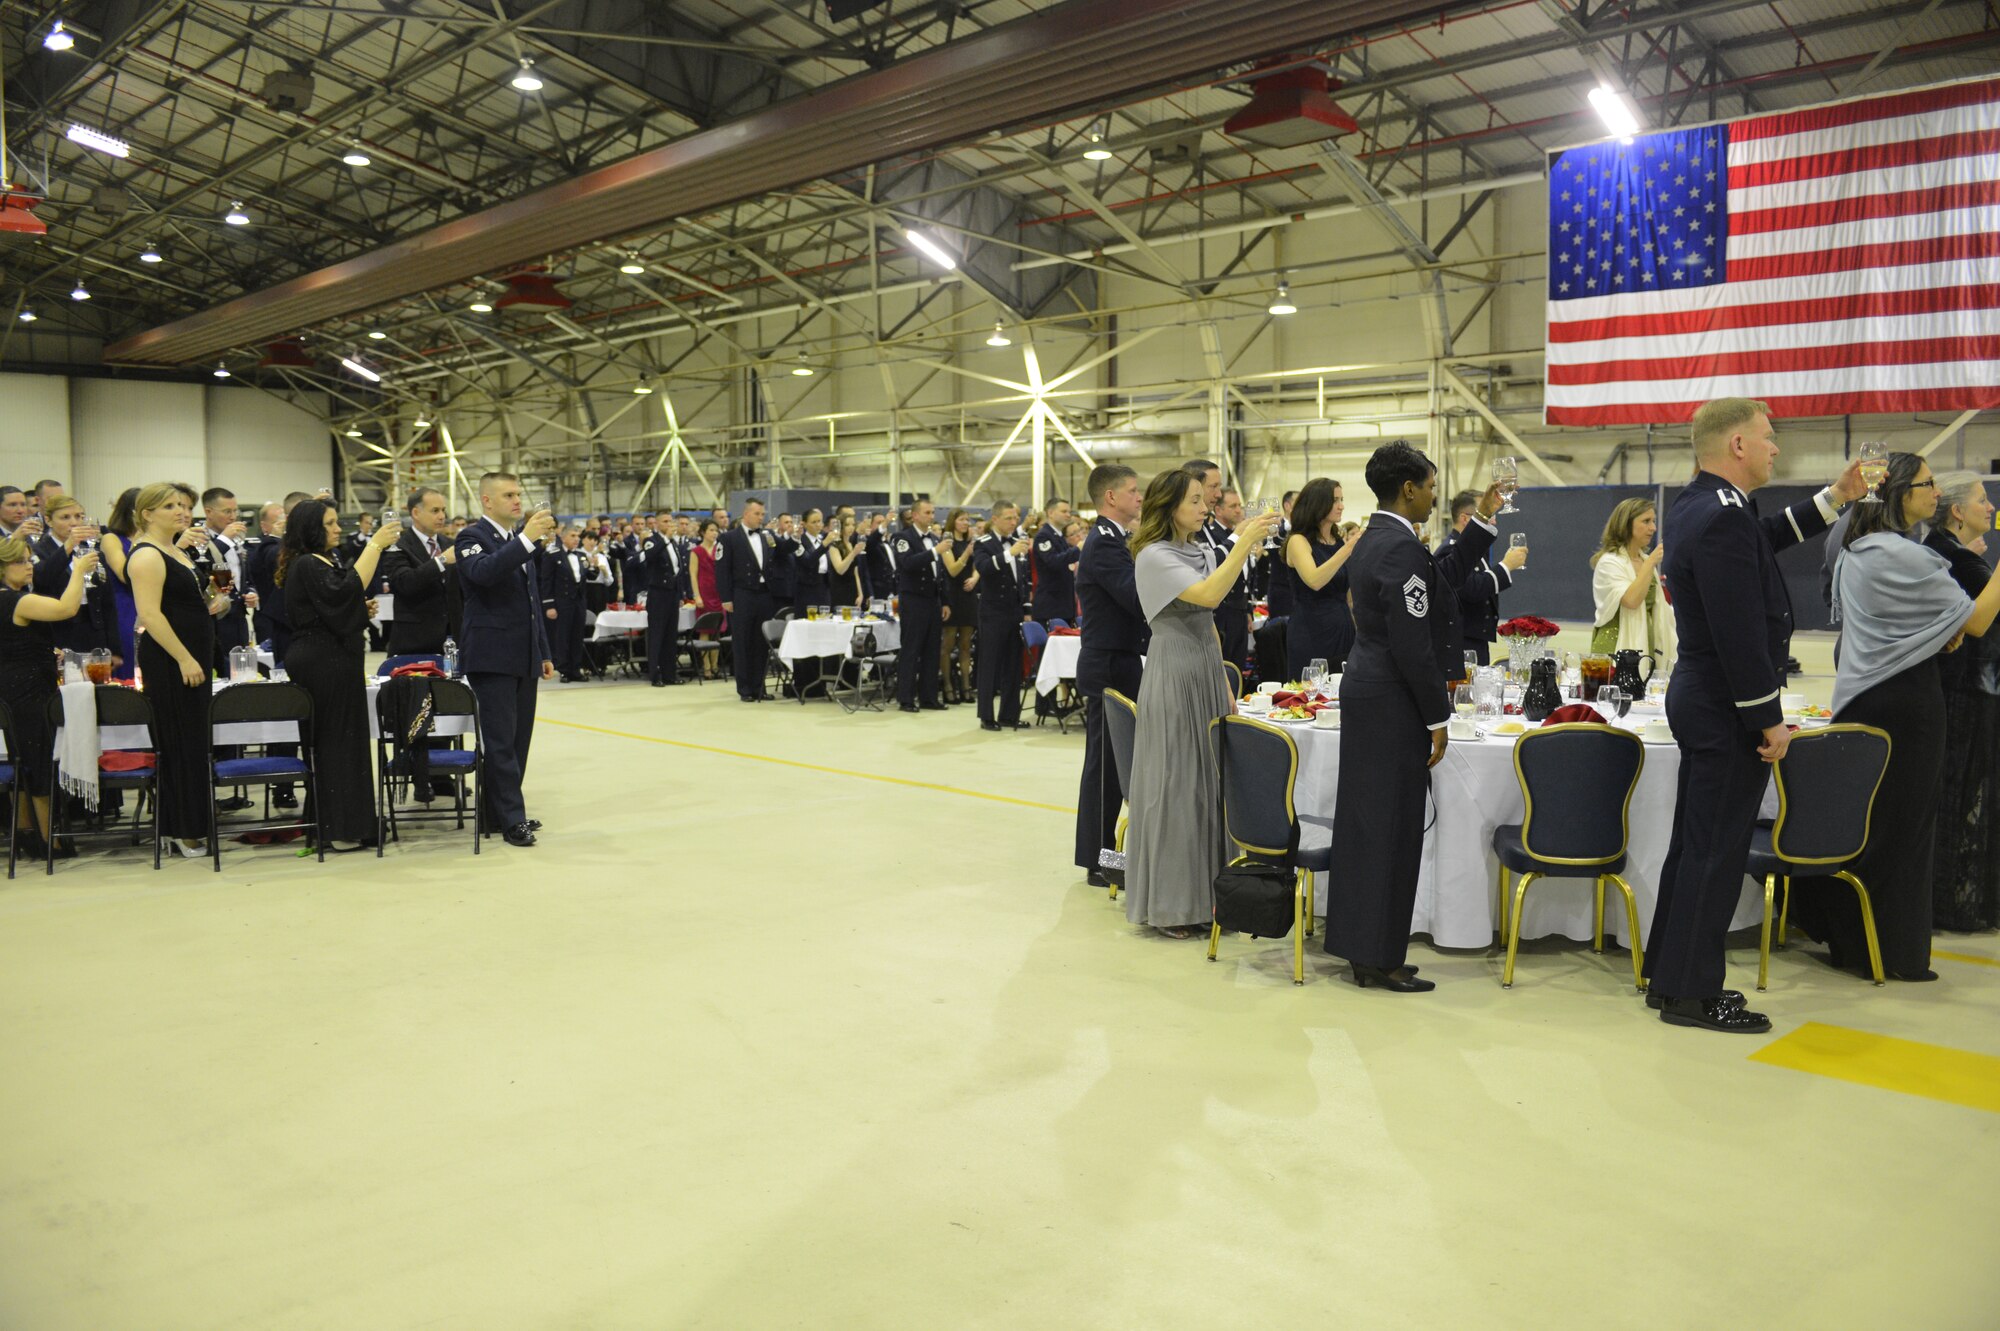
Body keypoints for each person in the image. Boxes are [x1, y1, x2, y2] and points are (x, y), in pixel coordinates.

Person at [1646, 398, 1866, 1033]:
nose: (1777, 449)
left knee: (1695, 844)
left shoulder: (1706, 506)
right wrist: (1767, 718)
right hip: (1723, 701)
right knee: (1713, 852)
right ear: (1737, 444)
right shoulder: (1719, 518)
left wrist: (1835, 497)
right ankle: (1691, 993)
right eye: (1768, 439)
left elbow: (1763, 541)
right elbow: (1739, 632)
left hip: (1706, 694)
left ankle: (1670, 973)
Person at [1791, 456, 2000, 981]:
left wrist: (1941, 630)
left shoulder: (1863, 549)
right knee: (1903, 835)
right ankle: (1888, 951)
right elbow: (1975, 621)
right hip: (1904, 706)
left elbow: (1924, 626)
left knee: (1879, 829)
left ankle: (1858, 940)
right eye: (1927, 484)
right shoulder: (1899, 554)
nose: (1935, 492)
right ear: (1901, 494)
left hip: (1876, 696)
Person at [1321, 444, 1456, 991]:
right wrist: (1436, 716)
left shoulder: (1371, 539)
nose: (1432, 494)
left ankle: (1367, 948)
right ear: (1408, 489)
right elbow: (1413, 643)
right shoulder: (1399, 548)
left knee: (1366, 823)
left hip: (1368, 689)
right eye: (1428, 485)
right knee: (1391, 827)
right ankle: (1379, 957)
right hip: (1393, 698)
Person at [1123, 470, 1277, 936]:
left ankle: (1211, 895)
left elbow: (1207, 615)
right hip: (1173, 672)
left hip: (1204, 669)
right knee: (1178, 785)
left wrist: (1223, 678)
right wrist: (1241, 544)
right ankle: (1173, 904)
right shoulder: (1153, 556)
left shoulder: (1199, 549)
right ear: (1168, 506)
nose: (1203, 507)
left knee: (1209, 785)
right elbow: (1209, 593)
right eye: (1194, 500)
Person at [278, 500, 397, 851]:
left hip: (333, 657)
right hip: (322, 660)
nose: (336, 528)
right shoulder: (307, 564)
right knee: (337, 742)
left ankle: (346, 823)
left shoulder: (321, 562)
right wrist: (375, 544)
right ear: (312, 529)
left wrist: (358, 608)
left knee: (345, 740)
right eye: (329, 523)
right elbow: (344, 590)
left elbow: (338, 603)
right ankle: (340, 827)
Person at [125, 483, 228, 859]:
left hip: (192, 653)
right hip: (172, 660)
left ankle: (193, 823)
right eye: (170, 505)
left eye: (184, 504)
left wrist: (212, 603)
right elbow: (149, 614)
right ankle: (182, 830)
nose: (181, 510)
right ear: (147, 513)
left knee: (194, 741)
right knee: (180, 742)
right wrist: (184, 657)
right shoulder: (147, 556)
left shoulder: (175, 550)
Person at [455, 472, 556, 847]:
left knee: (518, 741)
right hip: (491, 654)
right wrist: (529, 539)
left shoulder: (518, 541)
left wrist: (543, 652)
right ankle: (512, 819)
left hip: (523, 653)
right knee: (499, 742)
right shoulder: (471, 537)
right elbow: (483, 573)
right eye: (508, 495)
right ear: (487, 501)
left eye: (518, 493)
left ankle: (500, 813)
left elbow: (531, 602)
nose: (517, 500)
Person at [1925, 473, 2000, 933]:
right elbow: (1978, 623)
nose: (1990, 506)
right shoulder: (1955, 561)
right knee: (1962, 794)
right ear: (1956, 511)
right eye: (1981, 499)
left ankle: (1952, 897)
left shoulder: (1955, 556)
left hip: (1965, 688)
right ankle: (1953, 900)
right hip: (1965, 691)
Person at [1073, 463, 1147, 885]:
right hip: (1107, 663)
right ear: (1111, 498)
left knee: (1117, 764)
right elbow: (1134, 594)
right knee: (1104, 768)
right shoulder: (1104, 543)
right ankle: (1098, 861)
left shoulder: (1116, 539)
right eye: (1133, 491)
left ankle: (1105, 855)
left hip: (1120, 659)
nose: (1139, 498)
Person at [2, 534, 97, 859]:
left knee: (22, 762)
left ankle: (27, 835)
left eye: (29, 560)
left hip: (12, 686)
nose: (28, 567)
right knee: (39, 762)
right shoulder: (15, 600)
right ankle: (50, 842)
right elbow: (67, 608)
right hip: (28, 690)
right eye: (19, 562)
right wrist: (78, 570)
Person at [1279, 478, 1363, 680]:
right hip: (1311, 630)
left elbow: (1348, 595)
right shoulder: (1298, 541)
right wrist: (1349, 548)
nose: (1341, 506)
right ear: (1318, 503)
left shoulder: (1337, 541)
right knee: (1311, 695)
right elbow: (1315, 580)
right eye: (1335, 500)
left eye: (1341, 499)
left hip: (1342, 627)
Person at [1441, 489, 1528, 666]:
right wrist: (1506, 566)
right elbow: (1472, 588)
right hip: (1462, 641)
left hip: (1476, 638)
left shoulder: (1471, 551)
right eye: (1487, 514)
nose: (1494, 521)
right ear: (1466, 519)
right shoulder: (1449, 550)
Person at [1586, 497, 1675, 665]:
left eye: (1654, 521)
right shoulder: (1609, 562)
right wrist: (1650, 563)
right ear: (1626, 524)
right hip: (1614, 647)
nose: (1653, 528)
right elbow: (1631, 600)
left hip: (1645, 646)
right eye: (1646, 521)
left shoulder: (1645, 560)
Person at [379, 487, 462, 657]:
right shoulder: (397, 546)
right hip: (414, 642)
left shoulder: (451, 544)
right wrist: (441, 561)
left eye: (443, 510)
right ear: (416, 513)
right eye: (435, 511)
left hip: (453, 639)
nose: (442, 516)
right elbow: (405, 583)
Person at [972, 501, 1033, 732]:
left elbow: (1023, 579)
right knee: (989, 665)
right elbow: (983, 567)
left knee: (1013, 665)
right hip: (993, 612)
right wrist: (1009, 553)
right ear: (995, 519)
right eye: (1008, 517)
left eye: (1015, 517)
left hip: (1013, 611)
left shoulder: (1018, 543)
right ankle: (986, 715)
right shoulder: (984, 543)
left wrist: (1026, 610)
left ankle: (1009, 714)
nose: (1013, 521)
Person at [32, 494, 114, 656]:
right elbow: (42, 579)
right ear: (48, 521)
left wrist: (114, 647)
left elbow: (107, 600)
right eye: (65, 517)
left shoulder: (91, 549)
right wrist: (68, 545)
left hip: (93, 628)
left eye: (78, 516)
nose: (74, 522)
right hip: (58, 629)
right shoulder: (39, 549)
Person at [716, 498, 778, 702]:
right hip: (741, 594)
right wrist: (726, 598)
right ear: (746, 514)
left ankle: (759, 686)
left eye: (762, 514)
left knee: (761, 643)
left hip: (763, 594)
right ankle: (744, 688)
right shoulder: (729, 538)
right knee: (743, 642)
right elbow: (722, 570)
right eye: (757, 514)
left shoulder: (766, 537)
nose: (761, 518)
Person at [894, 498, 947, 712]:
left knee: (932, 650)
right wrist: (935, 552)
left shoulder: (934, 539)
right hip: (913, 599)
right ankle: (906, 698)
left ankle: (928, 697)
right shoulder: (902, 537)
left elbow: (940, 574)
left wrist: (945, 601)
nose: (931, 516)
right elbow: (907, 564)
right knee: (911, 649)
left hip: (932, 600)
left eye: (933, 512)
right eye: (927, 512)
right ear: (915, 515)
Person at [195, 487, 252, 676]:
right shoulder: (197, 538)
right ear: (208, 512)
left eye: (236, 511)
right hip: (215, 618)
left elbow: (242, 573)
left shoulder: (235, 539)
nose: (233, 516)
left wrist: (250, 591)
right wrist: (224, 539)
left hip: (238, 616)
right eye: (227, 511)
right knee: (223, 672)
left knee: (244, 669)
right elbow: (204, 569)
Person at [1206, 488, 1255, 679]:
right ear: (1218, 510)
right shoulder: (1215, 536)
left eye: (1239, 506)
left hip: (1240, 610)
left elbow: (1245, 576)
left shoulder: (1239, 535)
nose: (1238, 510)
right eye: (1232, 506)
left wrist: (1248, 609)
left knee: (1239, 666)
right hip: (1223, 611)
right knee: (1224, 669)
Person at [99, 487, 142, 679]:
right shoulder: (112, 538)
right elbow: (125, 574)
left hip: (151, 605)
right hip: (126, 607)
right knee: (132, 666)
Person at [938, 508, 979, 705]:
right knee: (947, 644)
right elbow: (952, 570)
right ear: (953, 521)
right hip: (952, 594)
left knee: (965, 644)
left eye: (967, 520)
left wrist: (974, 578)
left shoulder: (969, 542)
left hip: (968, 594)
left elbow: (977, 565)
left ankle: (966, 686)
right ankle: (947, 686)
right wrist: (966, 554)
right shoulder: (947, 544)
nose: (965, 523)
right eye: (962, 519)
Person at [642, 511, 687, 687]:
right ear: (657, 524)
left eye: (671, 521)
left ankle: (670, 673)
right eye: (665, 521)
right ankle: (655, 674)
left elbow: (678, 570)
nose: (669, 524)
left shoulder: (674, 543)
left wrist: (681, 593)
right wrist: (665, 539)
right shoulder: (651, 541)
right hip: (658, 593)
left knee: (670, 635)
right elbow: (650, 557)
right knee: (657, 635)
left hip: (672, 593)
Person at [543, 528, 593, 683]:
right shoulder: (553, 555)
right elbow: (546, 581)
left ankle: (575, 669)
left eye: (578, 536)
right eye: (573, 535)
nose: (576, 539)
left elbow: (590, 576)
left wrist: (595, 566)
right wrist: (549, 604)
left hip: (579, 601)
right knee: (563, 636)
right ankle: (564, 670)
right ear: (563, 537)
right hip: (562, 601)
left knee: (577, 636)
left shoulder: (582, 555)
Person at [1028, 497, 1079, 625]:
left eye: (1069, 511)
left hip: (1063, 604)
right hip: (1050, 605)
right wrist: (1078, 550)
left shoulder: (1059, 536)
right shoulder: (1044, 536)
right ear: (1050, 513)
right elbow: (1053, 562)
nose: (1068, 515)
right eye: (1064, 511)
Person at [826, 514, 866, 610]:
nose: (851, 528)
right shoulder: (834, 546)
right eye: (847, 525)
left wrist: (860, 594)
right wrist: (853, 553)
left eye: (853, 525)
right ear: (841, 526)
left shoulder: (852, 544)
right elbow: (840, 569)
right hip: (839, 588)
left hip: (852, 588)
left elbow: (855, 572)